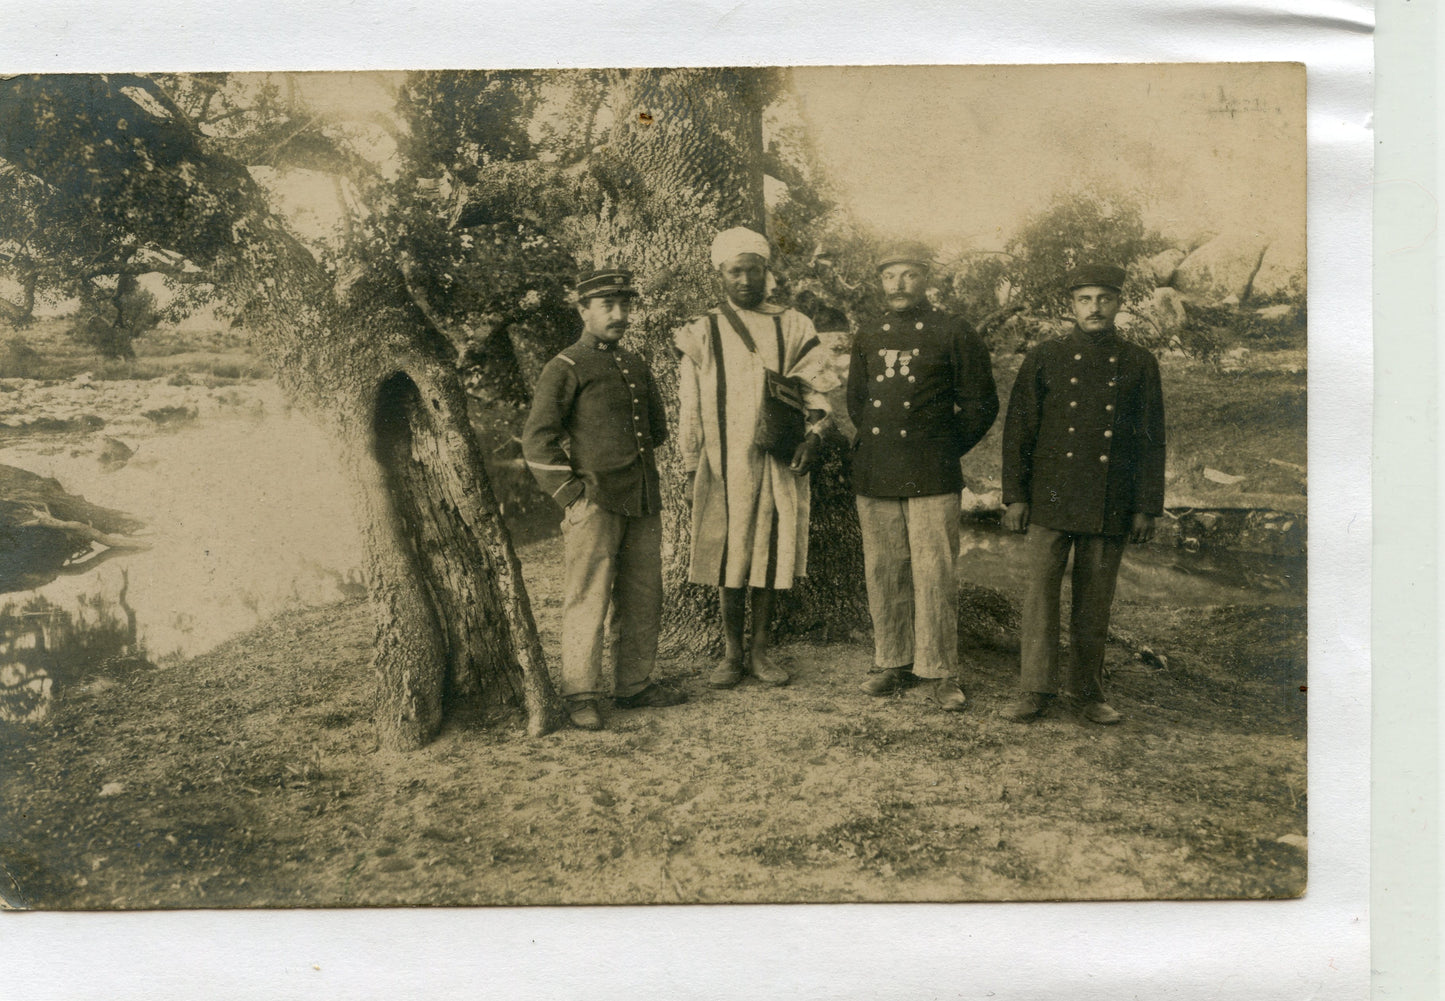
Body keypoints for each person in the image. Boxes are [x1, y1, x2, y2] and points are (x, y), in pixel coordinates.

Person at [1000, 264, 1166, 724]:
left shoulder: (1138, 362)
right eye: (1085, 299)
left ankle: (1087, 692)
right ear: (1071, 306)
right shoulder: (1044, 357)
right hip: (1050, 498)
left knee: (1095, 600)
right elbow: (1019, 431)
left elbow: (1152, 440)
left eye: (1104, 299)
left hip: (1109, 499)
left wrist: (1146, 507)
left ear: (1118, 304)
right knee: (1040, 598)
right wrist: (1015, 496)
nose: (1095, 308)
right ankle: (1035, 690)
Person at [522, 268, 686, 731]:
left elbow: (655, 431)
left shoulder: (634, 363)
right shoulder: (565, 367)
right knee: (587, 598)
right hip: (593, 502)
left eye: (624, 305)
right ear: (583, 310)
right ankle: (581, 693)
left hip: (641, 498)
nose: (619, 315)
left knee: (643, 595)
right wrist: (572, 496)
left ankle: (633, 685)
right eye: (607, 306)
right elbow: (537, 442)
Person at [674, 226, 834, 689]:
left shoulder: (795, 325)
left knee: (770, 549)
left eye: (753, 269)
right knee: (731, 551)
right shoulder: (702, 331)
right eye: (734, 271)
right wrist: (690, 467)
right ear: (720, 275)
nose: (745, 279)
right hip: (724, 463)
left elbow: (817, 391)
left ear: (767, 271)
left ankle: (762, 651)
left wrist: (814, 437)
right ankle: (731, 653)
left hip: (779, 458)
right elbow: (690, 406)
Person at [847, 241, 999, 712]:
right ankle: (892, 662)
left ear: (927, 278)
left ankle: (940, 670)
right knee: (884, 569)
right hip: (877, 469)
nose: (898, 284)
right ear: (880, 281)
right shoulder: (869, 333)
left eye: (909, 274)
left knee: (934, 571)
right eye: (890, 275)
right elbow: (857, 401)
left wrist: (942, 446)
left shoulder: (954, 332)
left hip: (932, 471)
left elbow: (981, 405)